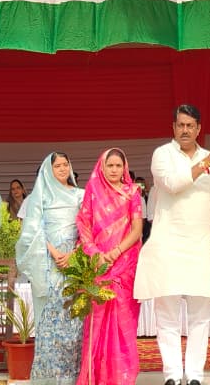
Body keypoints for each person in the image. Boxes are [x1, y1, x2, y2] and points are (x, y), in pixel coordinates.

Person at [133, 104, 210, 385]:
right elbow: (172, 184)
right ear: (173, 127)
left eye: (190, 125)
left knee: (201, 315)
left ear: (198, 129)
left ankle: (195, 375)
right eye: (180, 125)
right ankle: (173, 375)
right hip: (167, 244)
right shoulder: (163, 154)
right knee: (167, 315)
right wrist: (206, 162)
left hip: (200, 246)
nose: (185, 130)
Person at [76, 148, 143, 385]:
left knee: (123, 321)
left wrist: (115, 252)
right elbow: (84, 224)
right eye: (110, 165)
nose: (114, 170)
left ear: (124, 168)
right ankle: (95, 377)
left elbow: (137, 229)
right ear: (101, 167)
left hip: (124, 265)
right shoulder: (93, 191)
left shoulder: (132, 192)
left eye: (118, 166)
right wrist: (96, 254)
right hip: (98, 265)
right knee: (97, 321)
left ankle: (121, 377)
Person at [17, 151, 84, 385]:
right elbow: (32, 232)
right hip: (48, 266)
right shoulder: (40, 197)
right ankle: (49, 379)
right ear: (49, 169)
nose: (63, 169)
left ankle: (72, 378)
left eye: (66, 164)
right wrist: (55, 253)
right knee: (50, 324)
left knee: (73, 324)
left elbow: (88, 228)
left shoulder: (80, 195)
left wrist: (73, 253)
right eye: (58, 166)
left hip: (75, 265)